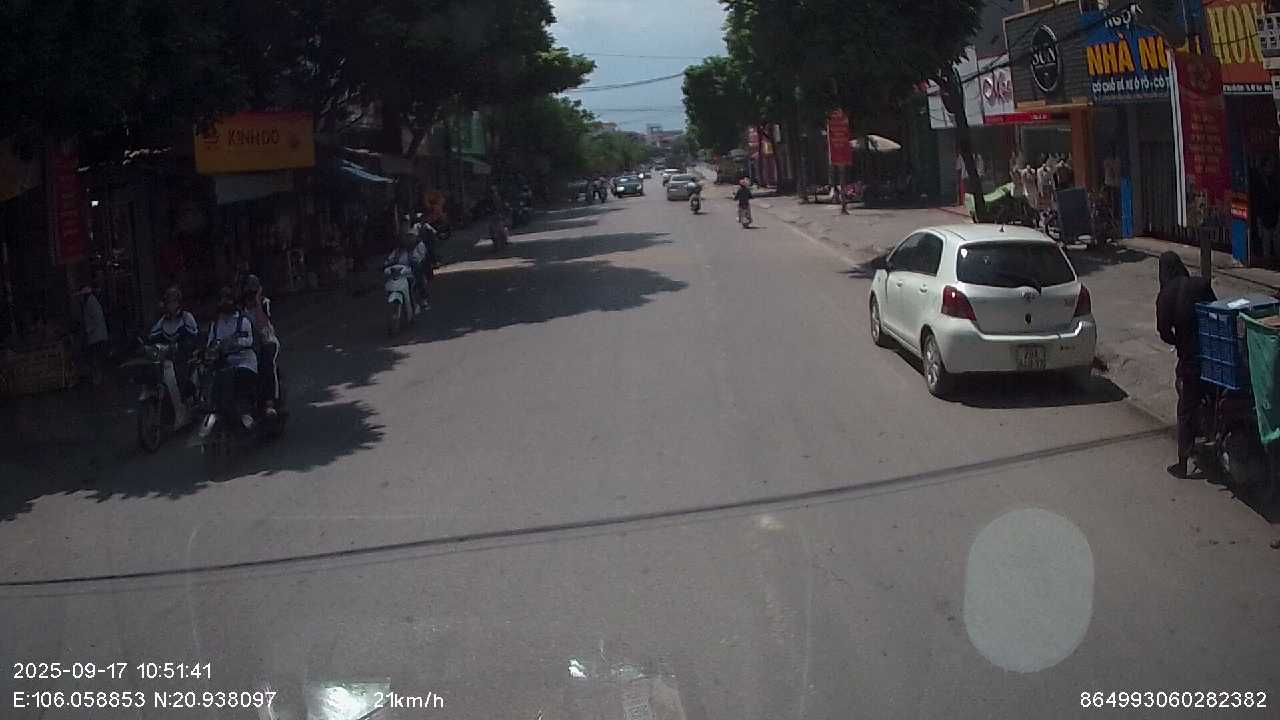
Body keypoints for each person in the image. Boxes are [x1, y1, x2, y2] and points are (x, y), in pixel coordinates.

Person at [1156, 252, 1216, 478]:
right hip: (1213, 353)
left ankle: (1182, 463)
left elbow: (1164, 331)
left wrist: (1178, 341)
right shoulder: (1200, 284)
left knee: (1185, 410)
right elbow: (1216, 310)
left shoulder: (1165, 296)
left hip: (1190, 360)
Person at [203, 286, 258, 433]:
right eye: (222, 300)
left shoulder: (243, 320)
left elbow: (249, 340)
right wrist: (212, 350)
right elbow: (210, 343)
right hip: (224, 362)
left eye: (228, 299)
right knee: (214, 382)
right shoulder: (216, 324)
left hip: (244, 360)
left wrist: (234, 343)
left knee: (241, 378)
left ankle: (246, 413)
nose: (225, 302)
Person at [149, 286, 200, 409]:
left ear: (179, 303)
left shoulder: (186, 317)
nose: (171, 305)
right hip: (168, 356)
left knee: (181, 371)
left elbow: (194, 335)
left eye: (174, 302)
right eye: (169, 302)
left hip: (185, 356)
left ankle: (185, 397)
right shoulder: (163, 320)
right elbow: (153, 334)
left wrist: (181, 344)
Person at [239, 275, 280, 418]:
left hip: (267, 342)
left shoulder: (264, 303)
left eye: (253, 291)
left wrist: (257, 303)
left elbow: (263, 325)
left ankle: (270, 402)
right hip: (248, 345)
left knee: (267, 364)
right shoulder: (240, 309)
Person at [78, 284, 109, 385]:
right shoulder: (90, 303)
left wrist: (88, 330)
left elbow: (96, 320)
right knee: (98, 358)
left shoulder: (91, 303)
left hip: (97, 336)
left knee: (97, 358)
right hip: (96, 336)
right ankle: (100, 377)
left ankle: (99, 377)